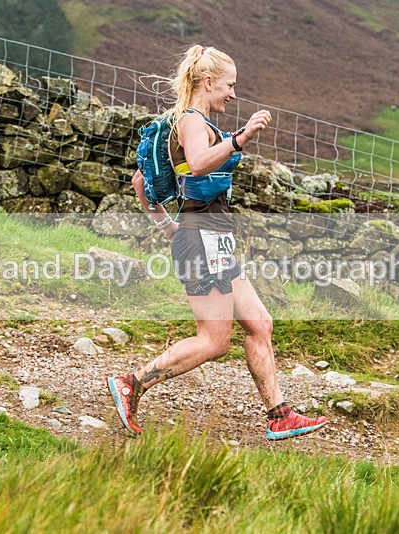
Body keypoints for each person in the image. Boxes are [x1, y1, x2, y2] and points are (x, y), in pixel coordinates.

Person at [106, 45, 327, 441]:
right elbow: (198, 163)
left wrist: (168, 227)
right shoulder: (192, 121)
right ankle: (131, 384)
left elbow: (141, 182)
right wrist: (240, 139)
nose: (233, 94)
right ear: (208, 83)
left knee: (259, 324)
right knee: (214, 341)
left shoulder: (191, 121)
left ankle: (279, 416)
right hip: (202, 239)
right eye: (229, 86)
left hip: (211, 237)